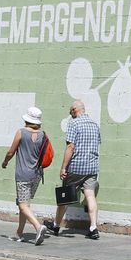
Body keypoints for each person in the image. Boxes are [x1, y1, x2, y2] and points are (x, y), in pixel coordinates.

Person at [45, 98, 101, 240]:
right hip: (91, 167)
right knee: (90, 195)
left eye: (71, 112)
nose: (70, 115)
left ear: (75, 110)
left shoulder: (74, 123)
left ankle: (56, 225)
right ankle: (93, 227)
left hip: (75, 167)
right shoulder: (95, 125)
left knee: (65, 197)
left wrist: (63, 167)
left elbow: (70, 147)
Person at [1, 106, 49, 244]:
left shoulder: (21, 132)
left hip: (23, 174)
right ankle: (19, 233)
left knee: (23, 205)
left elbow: (11, 152)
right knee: (25, 204)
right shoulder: (43, 135)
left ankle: (38, 227)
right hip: (37, 174)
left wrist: (5, 162)